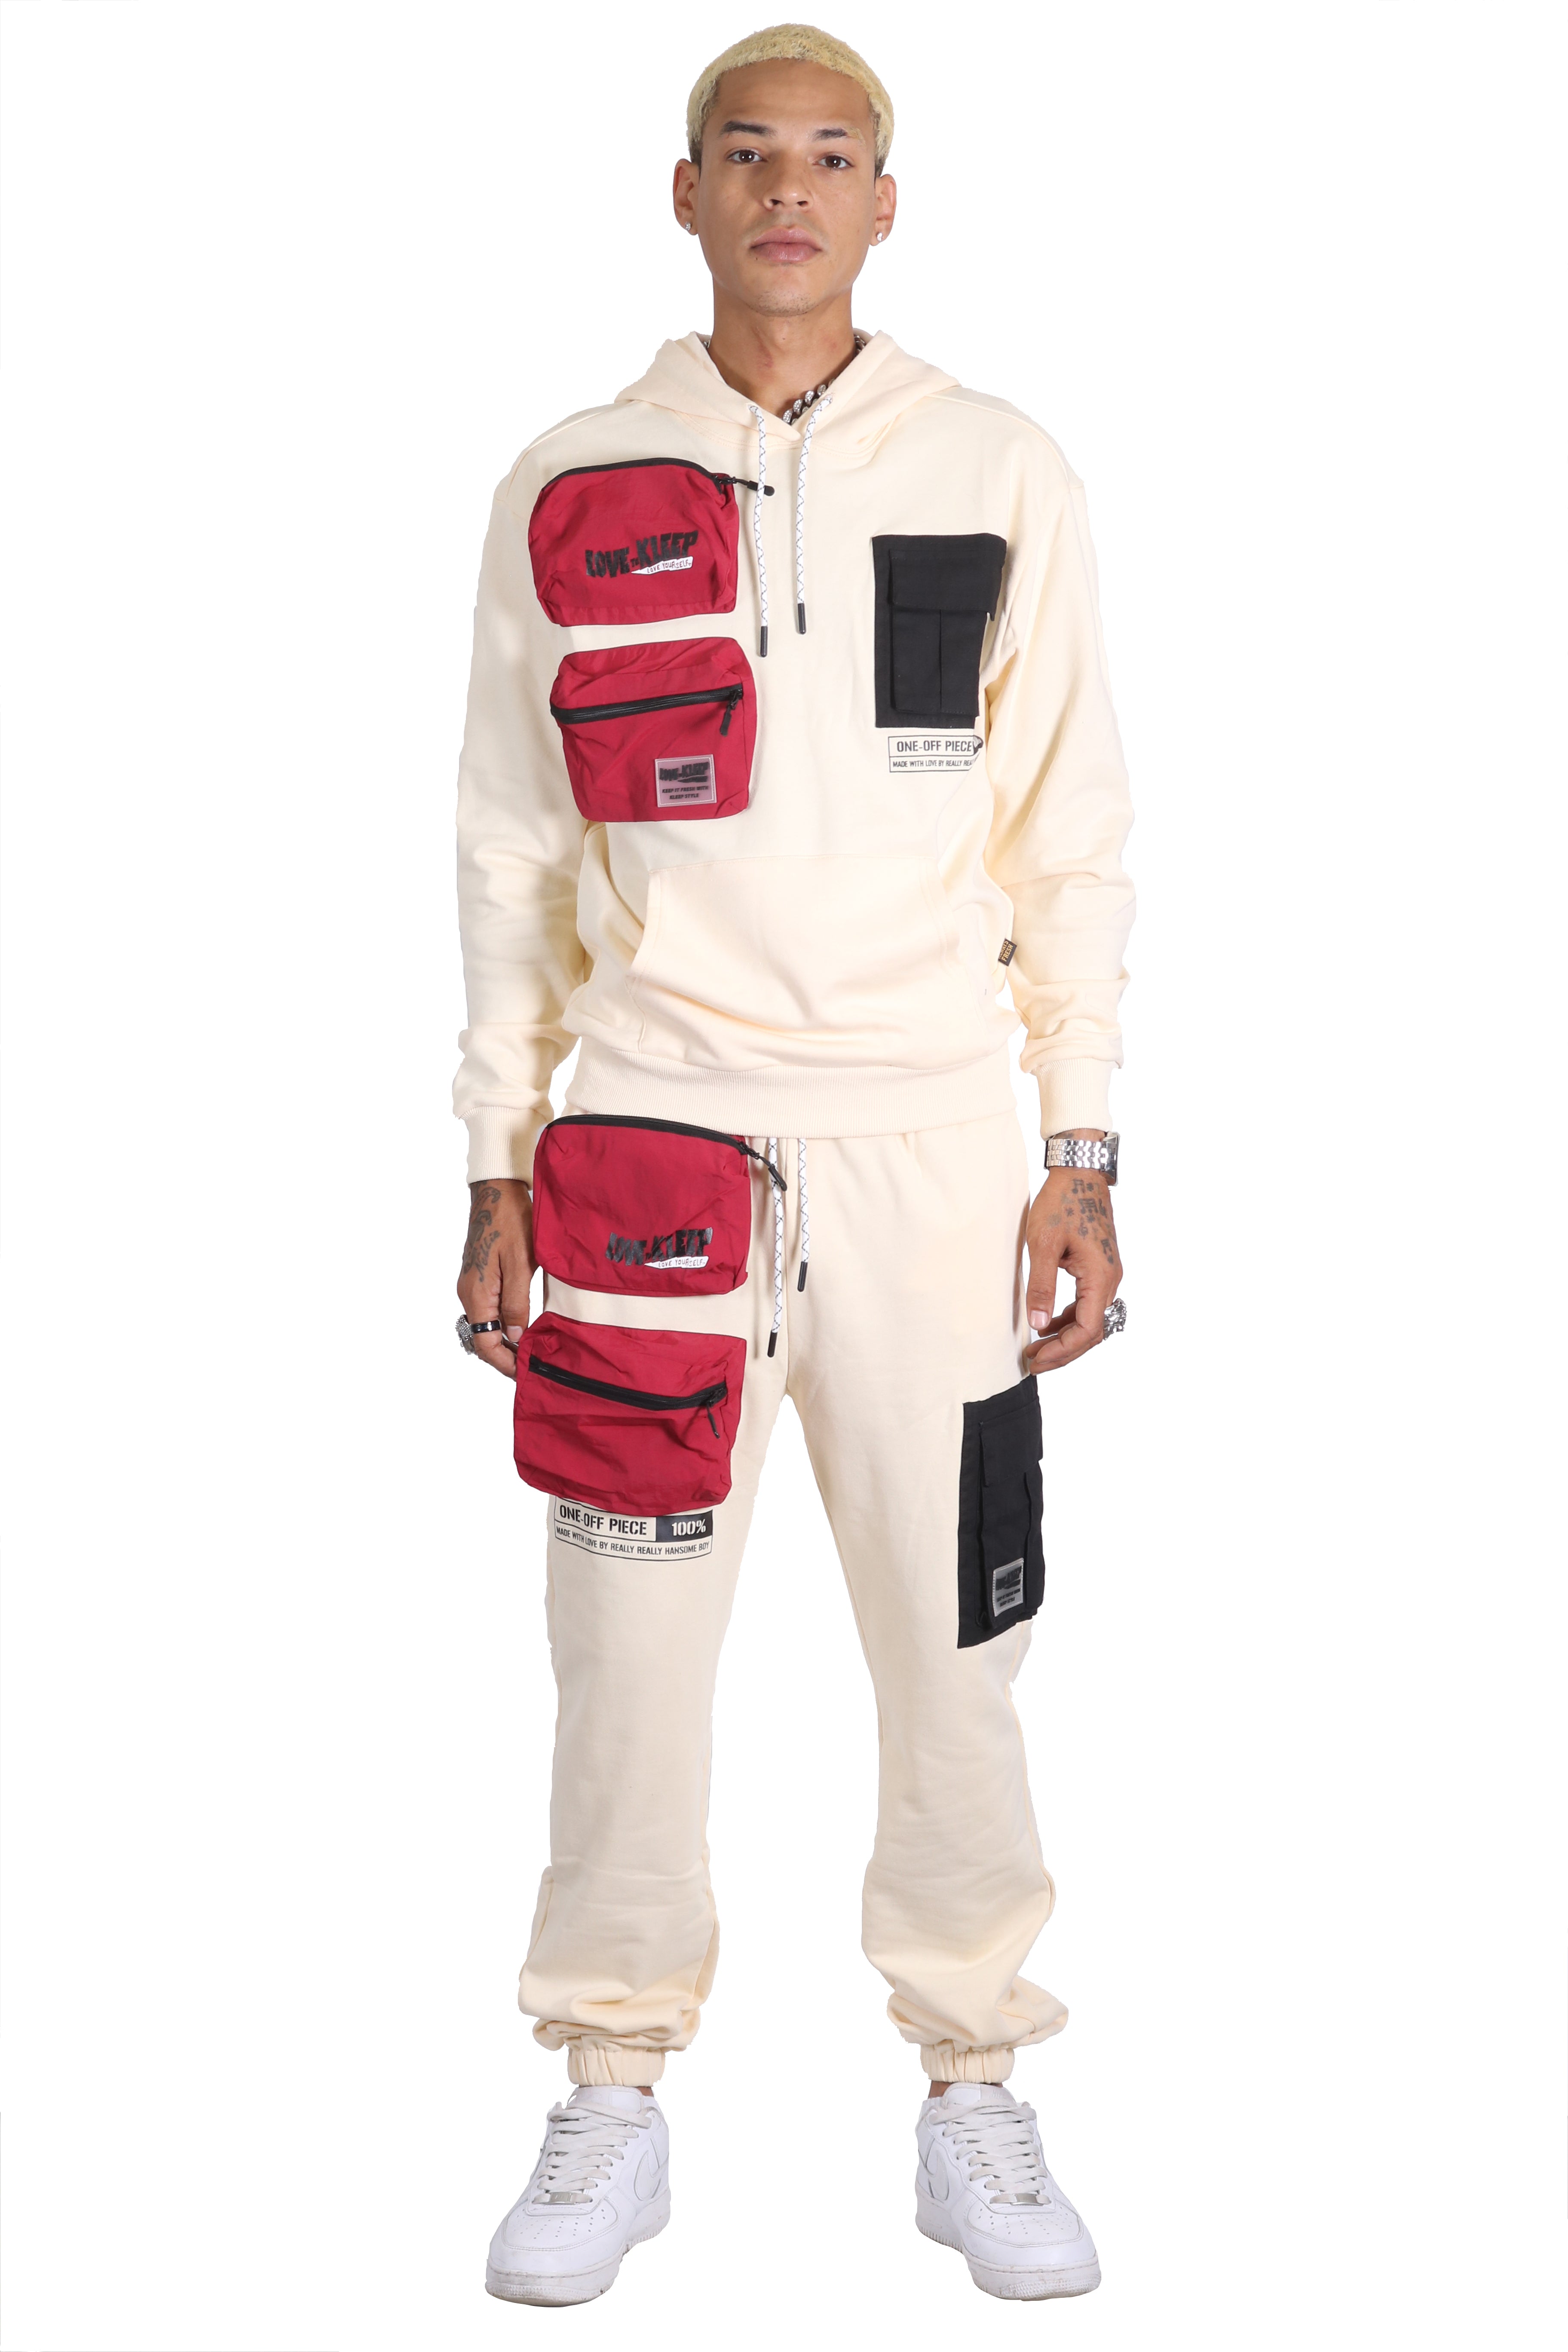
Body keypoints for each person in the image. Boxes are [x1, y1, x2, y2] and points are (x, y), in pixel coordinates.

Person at [452, 22, 1134, 2307]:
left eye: (835, 156)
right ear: (686, 192)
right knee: (627, 1650)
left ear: (887, 202)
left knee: (959, 1644)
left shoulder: (1002, 465)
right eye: (749, 154)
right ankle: (611, 2084)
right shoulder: (571, 481)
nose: (789, 191)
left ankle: (974, 2081)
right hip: (649, 1145)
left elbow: (1072, 836)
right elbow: (510, 848)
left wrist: (1082, 1140)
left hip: (937, 1150)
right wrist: (498, 1156)